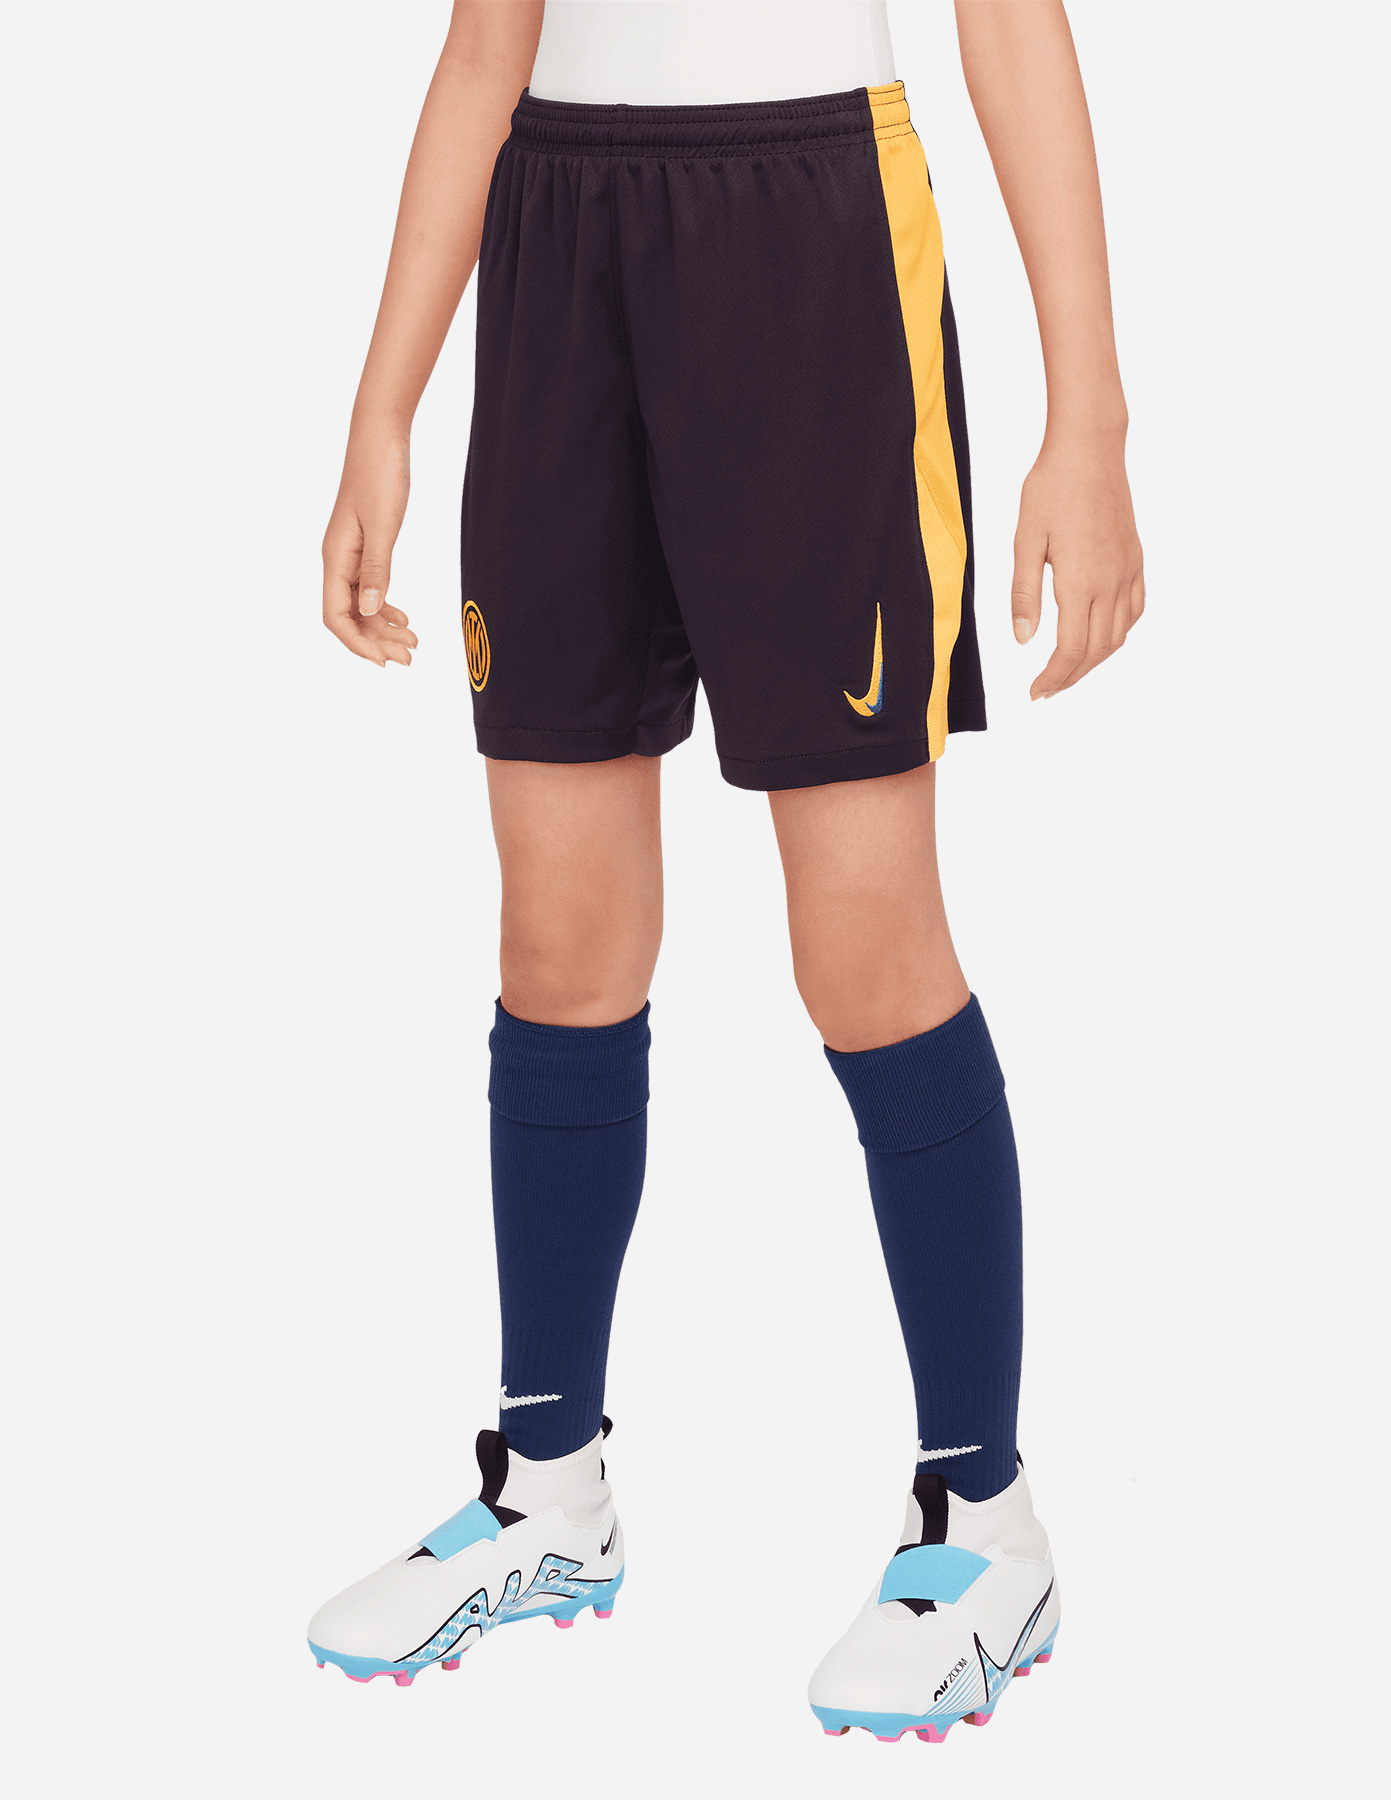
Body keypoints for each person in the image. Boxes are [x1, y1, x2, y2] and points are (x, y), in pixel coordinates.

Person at [308, 0, 1143, 1740]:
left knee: (864, 947)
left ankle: (984, 1520)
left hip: (808, 227)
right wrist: (382, 407)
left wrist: (1092, 420)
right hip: (558, 232)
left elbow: (1010, 25)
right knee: (560, 939)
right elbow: (483, 47)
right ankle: (552, 1484)